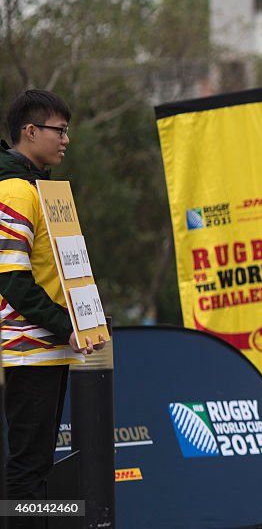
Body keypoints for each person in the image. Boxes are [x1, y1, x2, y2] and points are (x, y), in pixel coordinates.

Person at [0, 90, 103, 519]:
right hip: (29, 352)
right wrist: (67, 325)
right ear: (29, 131)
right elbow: (11, 279)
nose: (66, 140)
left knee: (39, 464)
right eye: (59, 130)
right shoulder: (15, 189)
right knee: (28, 467)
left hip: (50, 348)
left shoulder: (39, 188)